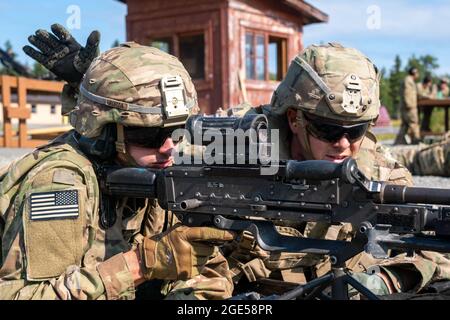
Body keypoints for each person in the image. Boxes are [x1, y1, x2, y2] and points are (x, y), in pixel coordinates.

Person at [0, 26, 234, 300]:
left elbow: (212, 276)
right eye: (150, 134)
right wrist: (141, 264)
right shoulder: (60, 185)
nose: (168, 147)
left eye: (179, 131)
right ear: (106, 129)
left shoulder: (158, 172)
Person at [225, 43, 450, 298]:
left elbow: (433, 250)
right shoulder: (238, 154)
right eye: (328, 130)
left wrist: (383, 281)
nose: (343, 144)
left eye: (356, 130)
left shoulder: (376, 168)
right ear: (293, 119)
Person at [394, 67, 421, 145]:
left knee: (405, 125)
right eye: (417, 73)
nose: (418, 75)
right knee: (414, 122)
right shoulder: (409, 81)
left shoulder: (408, 80)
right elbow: (407, 93)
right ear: (414, 73)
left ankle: (399, 142)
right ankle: (416, 140)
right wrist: (410, 105)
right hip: (410, 106)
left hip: (406, 106)